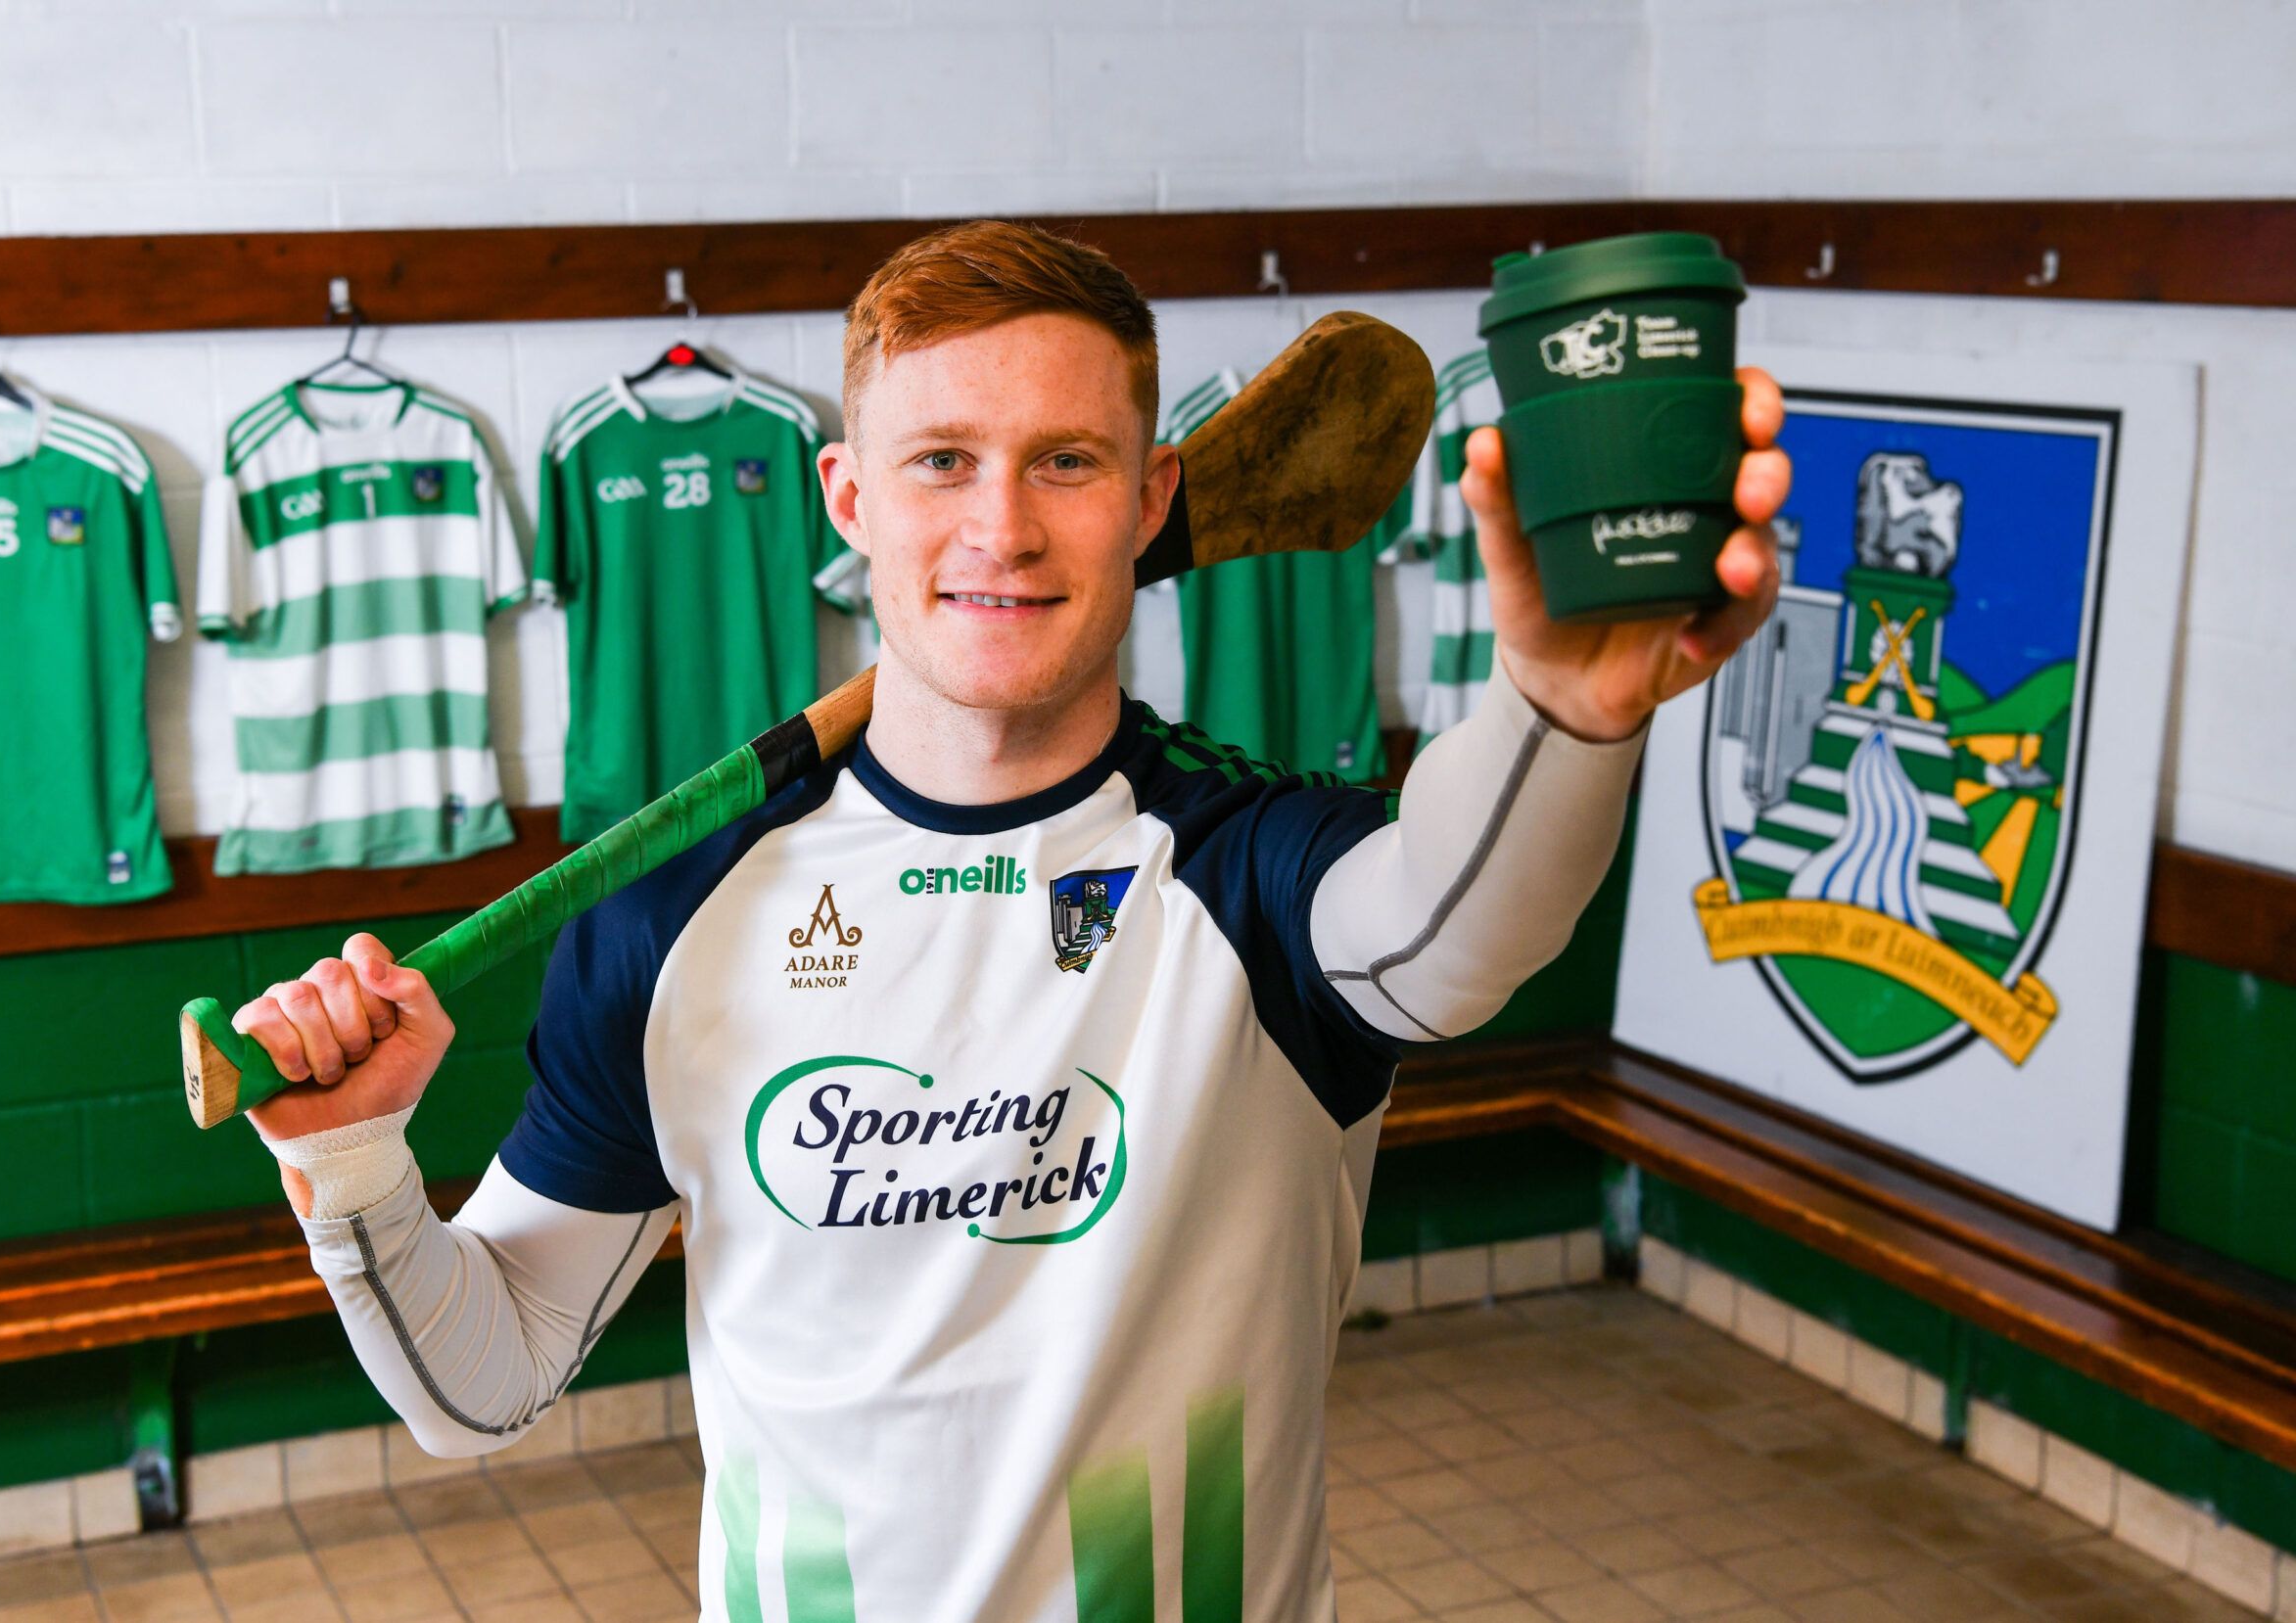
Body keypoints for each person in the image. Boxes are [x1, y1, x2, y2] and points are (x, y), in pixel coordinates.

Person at [237, 219, 1790, 1621]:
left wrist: (1563, 713)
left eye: (1066, 461)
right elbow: (482, 1384)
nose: (1004, 527)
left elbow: (1458, 925)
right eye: (941, 461)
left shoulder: (1251, 876)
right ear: (848, 498)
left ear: (1153, 498)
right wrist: (354, 1165)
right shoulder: (670, 920)